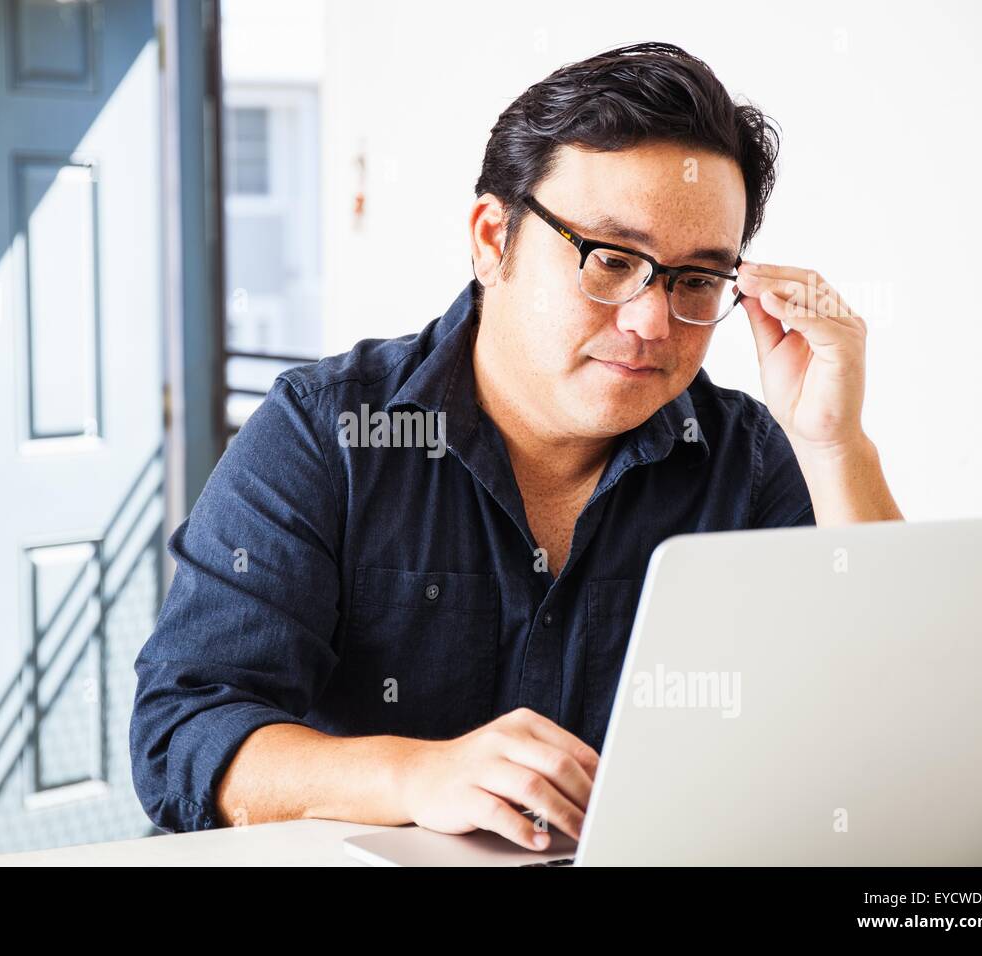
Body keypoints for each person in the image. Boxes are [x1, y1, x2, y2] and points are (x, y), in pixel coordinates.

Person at [130, 41, 903, 852]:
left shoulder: (745, 458)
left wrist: (835, 444)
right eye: (610, 260)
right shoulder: (326, 433)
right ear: (492, 238)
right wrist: (414, 775)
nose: (651, 323)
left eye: (696, 281)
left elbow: (891, 725)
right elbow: (183, 732)